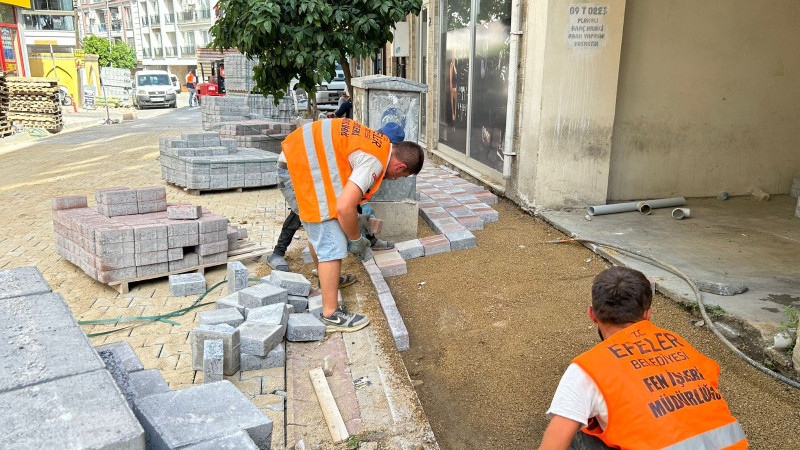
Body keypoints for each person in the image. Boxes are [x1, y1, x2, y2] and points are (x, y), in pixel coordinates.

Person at [540, 266, 747, 450]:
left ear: (592, 315)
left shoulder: (589, 368)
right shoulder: (681, 345)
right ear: (648, 314)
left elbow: (554, 444)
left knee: (580, 422)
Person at [277, 118, 423, 332]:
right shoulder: (375, 160)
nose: (395, 179)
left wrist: (356, 218)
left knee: (322, 233)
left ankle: (327, 281)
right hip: (298, 170)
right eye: (402, 176)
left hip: (302, 162)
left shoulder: (379, 143)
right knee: (332, 242)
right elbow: (344, 208)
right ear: (400, 166)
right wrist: (356, 240)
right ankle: (331, 314)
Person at [264, 122, 406, 273]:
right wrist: (355, 236)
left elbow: (351, 184)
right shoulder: (371, 149)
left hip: (314, 167)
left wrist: (362, 205)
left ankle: (367, 243)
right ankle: (278, 253)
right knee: (309, 214)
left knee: (338, 206)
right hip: (296, 166)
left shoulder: (373, 144)